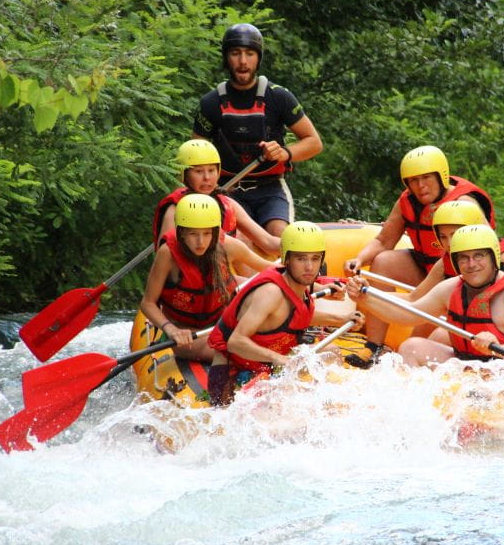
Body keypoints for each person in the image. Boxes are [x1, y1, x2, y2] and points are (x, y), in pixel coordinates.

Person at [342, 146, 495, 367]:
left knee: (420, 339)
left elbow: (488, 253)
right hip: (435, 271)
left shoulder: (466, 206)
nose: (420, 186)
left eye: (426, 178)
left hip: (463, 280)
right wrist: (360, 263)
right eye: (413, 180)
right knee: (383, 261)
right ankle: (373, 347)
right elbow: (384, 241)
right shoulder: (408, 202)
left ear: (441, 176)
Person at [346, 224, 504, 367]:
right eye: (464, 258)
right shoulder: (452, 287)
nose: (471, 264)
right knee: (411, 347)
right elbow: (408, 314)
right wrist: (366, 297)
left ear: (494, 257)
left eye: (479, 256)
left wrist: (497, 348)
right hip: (469, 363)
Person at [207, 221, 363, 405]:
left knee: (332, 352)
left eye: (315, 258)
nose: (309, 267)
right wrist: (278, 358)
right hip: (237, 370)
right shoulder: (270, 293)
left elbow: (292, 317)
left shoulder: (298, 286)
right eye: (301, 258)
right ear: (286, 259)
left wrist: (342, 320)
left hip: (269, 363)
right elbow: (235, 342)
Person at [193, 23, 323, 238]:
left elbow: (313, 142)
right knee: (241, 239)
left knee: (280, 236)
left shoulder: (279, 97)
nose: (243, 62)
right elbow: (194, 156)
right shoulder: (210, 103)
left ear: (258, 58)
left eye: (250, 53)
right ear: (226, 58)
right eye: (236, 53)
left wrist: (285, 153)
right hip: (227, 189)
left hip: (271, 189)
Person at [140, 194, 276, 361]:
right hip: (189, 333)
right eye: (193, 234)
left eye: (206, 233)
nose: (200, 242)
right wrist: (171, 330)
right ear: (181, 232)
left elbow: (272, 270)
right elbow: (148, 303)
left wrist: (311, 278)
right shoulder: (168, 254)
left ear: (216, 231)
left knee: (266, 290)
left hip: (223, 320)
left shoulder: (228, 246)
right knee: (228, 351)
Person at [152, 139, 281, 257]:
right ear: (184, 175)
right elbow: (166, 257)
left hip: (223, 275)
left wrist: (296, 243)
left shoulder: (227, 204)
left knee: (242, 239)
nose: (207, 177)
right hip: (190, 278)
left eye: (211, 170)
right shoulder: (174, 210)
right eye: (198, 171)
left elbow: (268, 242)